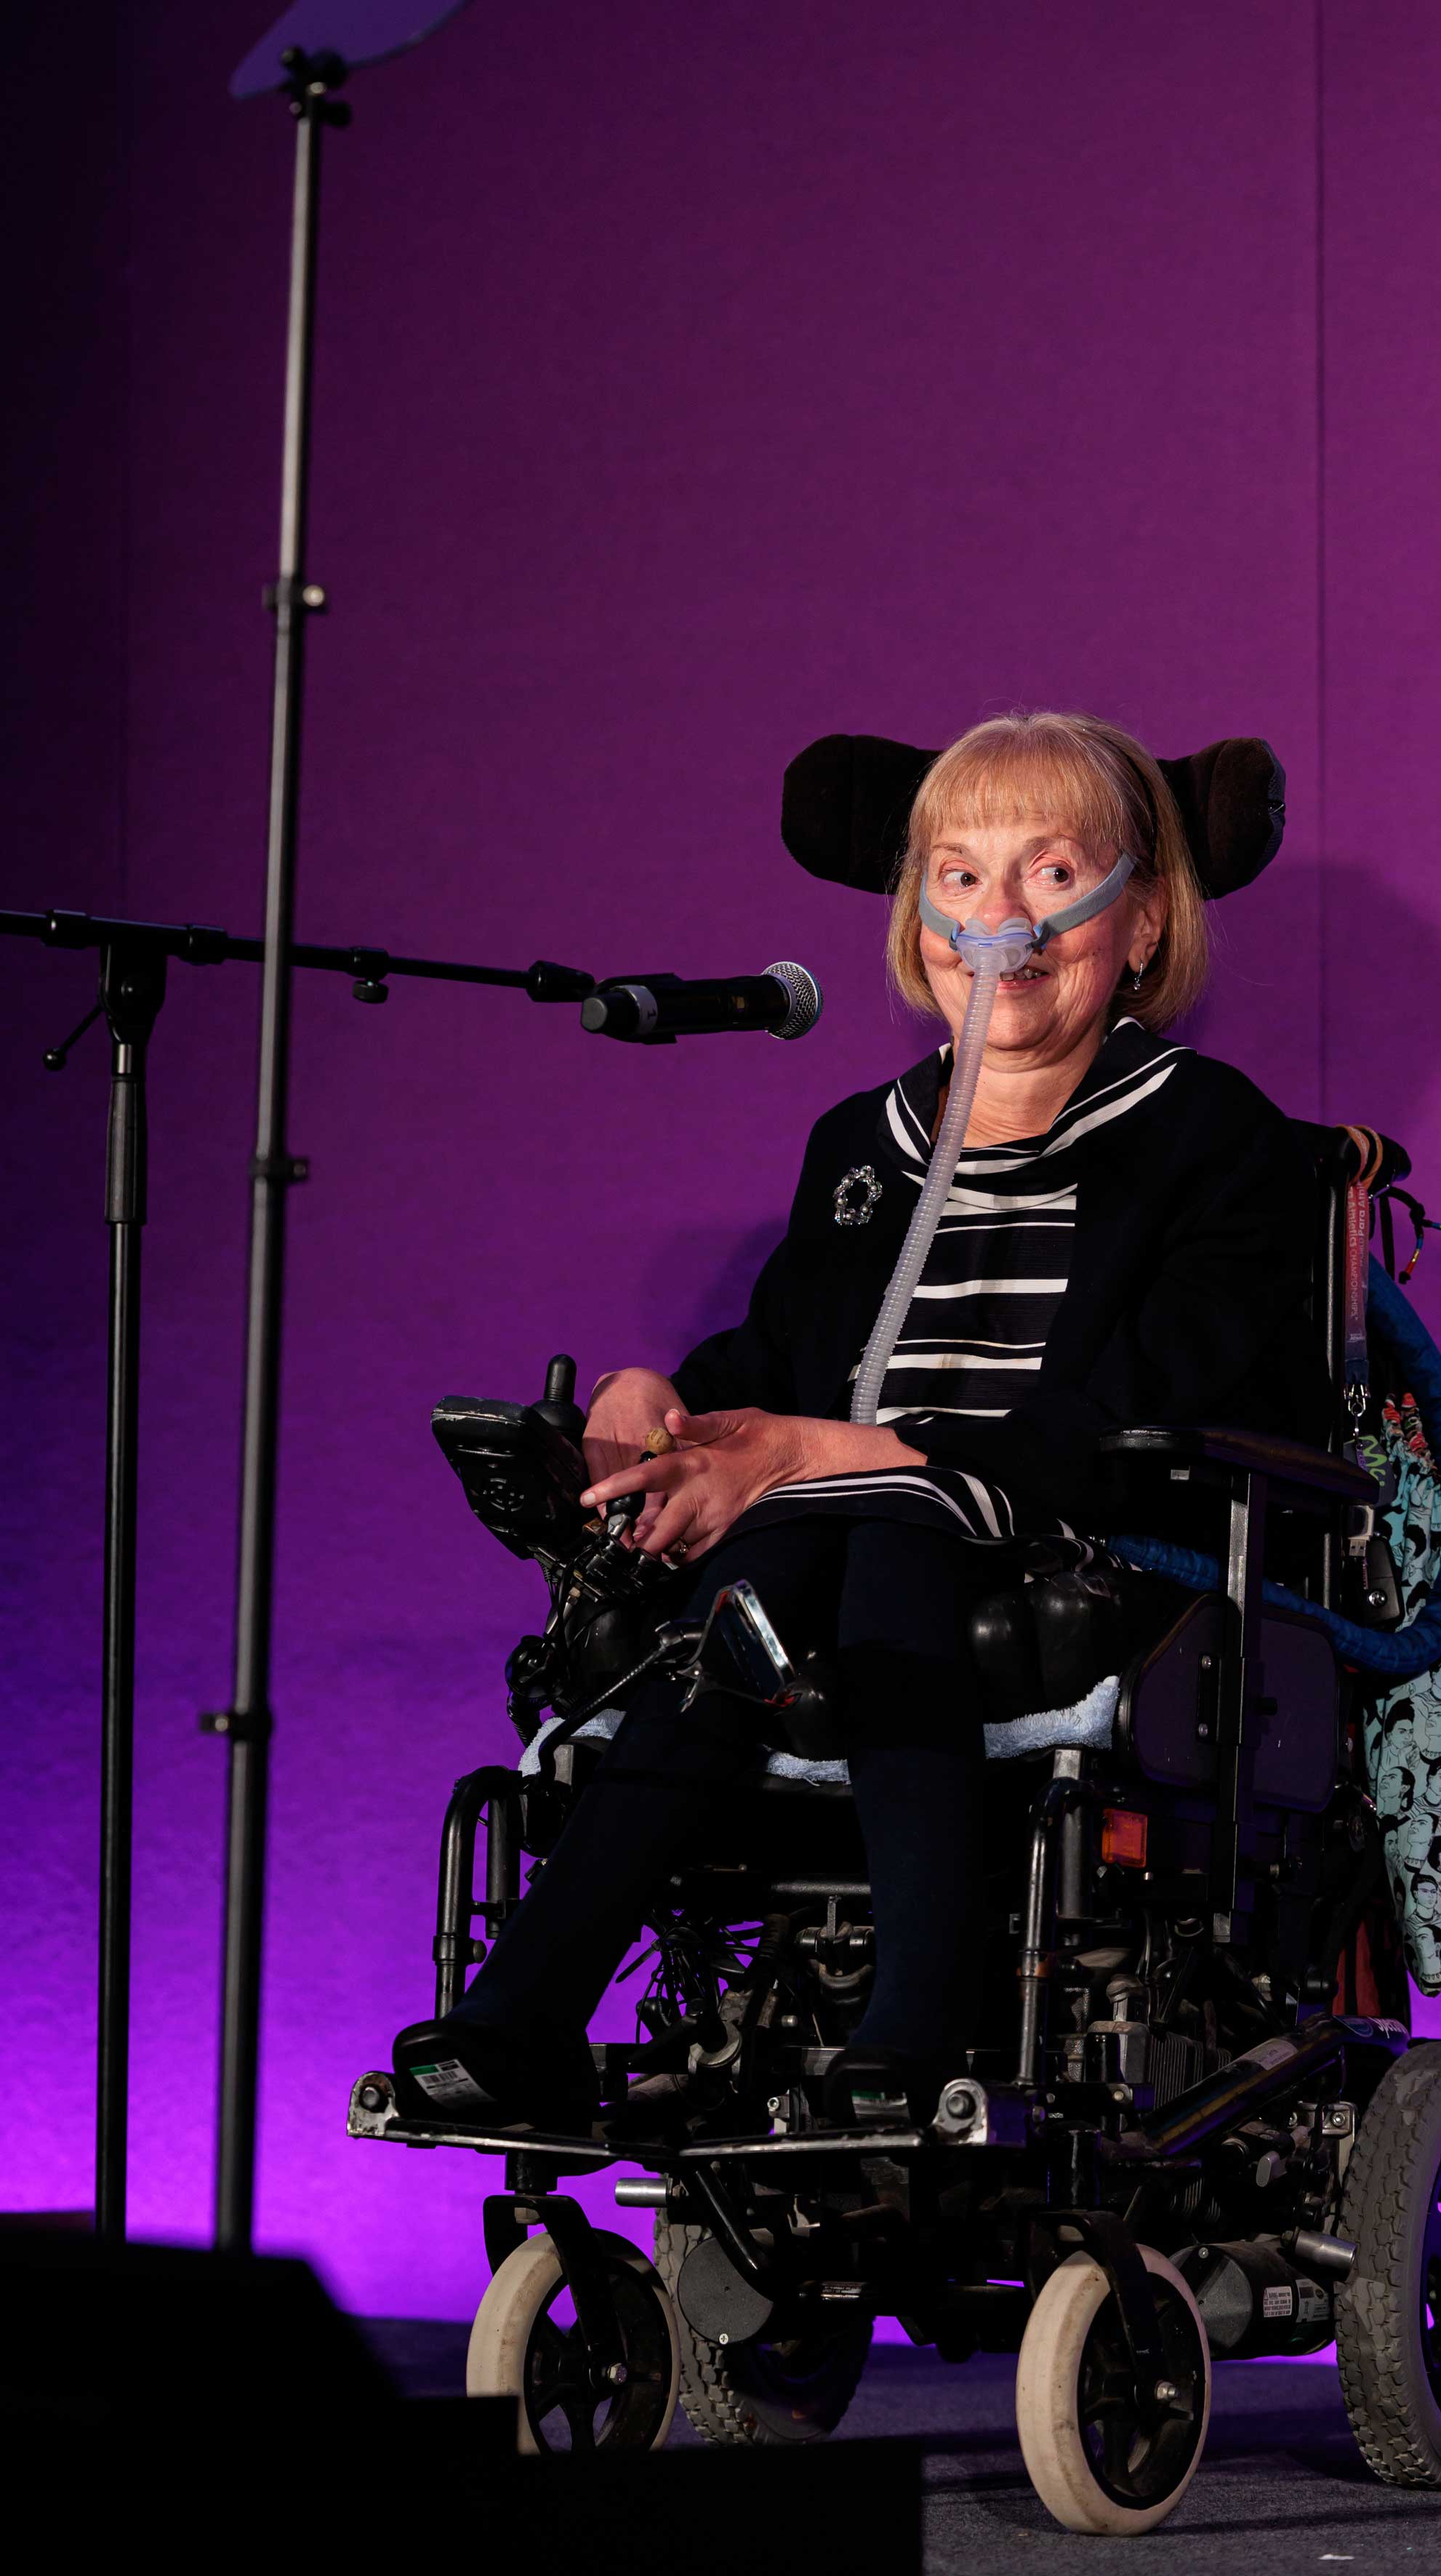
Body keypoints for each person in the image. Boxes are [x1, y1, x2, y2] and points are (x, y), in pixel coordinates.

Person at [393, 710, 1328, 2133]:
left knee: (869, 1518)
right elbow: (785, 1356)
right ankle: (521, 2014)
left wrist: (830, 1456)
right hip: (839, 1517)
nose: (998, 916)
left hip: (1072, 1516)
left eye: (1049, 870)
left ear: (1137, 922)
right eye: (957, 876)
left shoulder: (1214, 1135)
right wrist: (664, 1411)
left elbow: (1151, 1392)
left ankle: (918, 2008)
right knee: (756, 1571)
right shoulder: (860, 1140)